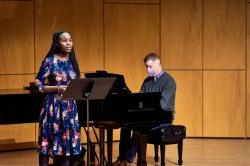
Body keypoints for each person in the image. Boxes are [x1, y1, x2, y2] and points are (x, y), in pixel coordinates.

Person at [114, 52, 176, 166]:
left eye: (150, 66)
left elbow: (164, 105)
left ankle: (131, 159)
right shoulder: (147, 81)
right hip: (148, 115)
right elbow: (140, 98)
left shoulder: (169, 81)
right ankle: (122, 157)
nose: (148, 69)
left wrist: (146, 110)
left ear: (158, 63)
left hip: (163, 117)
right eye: (146, 67)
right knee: (125, 124)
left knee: (140, 127)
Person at [35, 31, 83, 166]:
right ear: (57, 43)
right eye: (64, 40)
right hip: (53, 108)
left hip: (70, 109)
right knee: (47, 145)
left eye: (70, 40)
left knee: (66, 147)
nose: (68, 43)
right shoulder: (50, 61)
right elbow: (38, 82)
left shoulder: (72, 61)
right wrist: (56, 88)